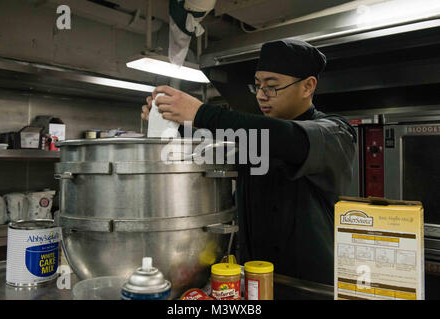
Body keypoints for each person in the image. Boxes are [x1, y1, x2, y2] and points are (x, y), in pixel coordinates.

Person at [142, 39, 357, 285]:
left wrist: (201, 113)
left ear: (308, 86)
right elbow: (206, 146)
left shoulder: (335, 133)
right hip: (253, 277)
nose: (262, 96)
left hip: (312, 284)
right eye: (258, 86)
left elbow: (286, 139)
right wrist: (170, 123)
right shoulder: (250, 135)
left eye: (272, 86)